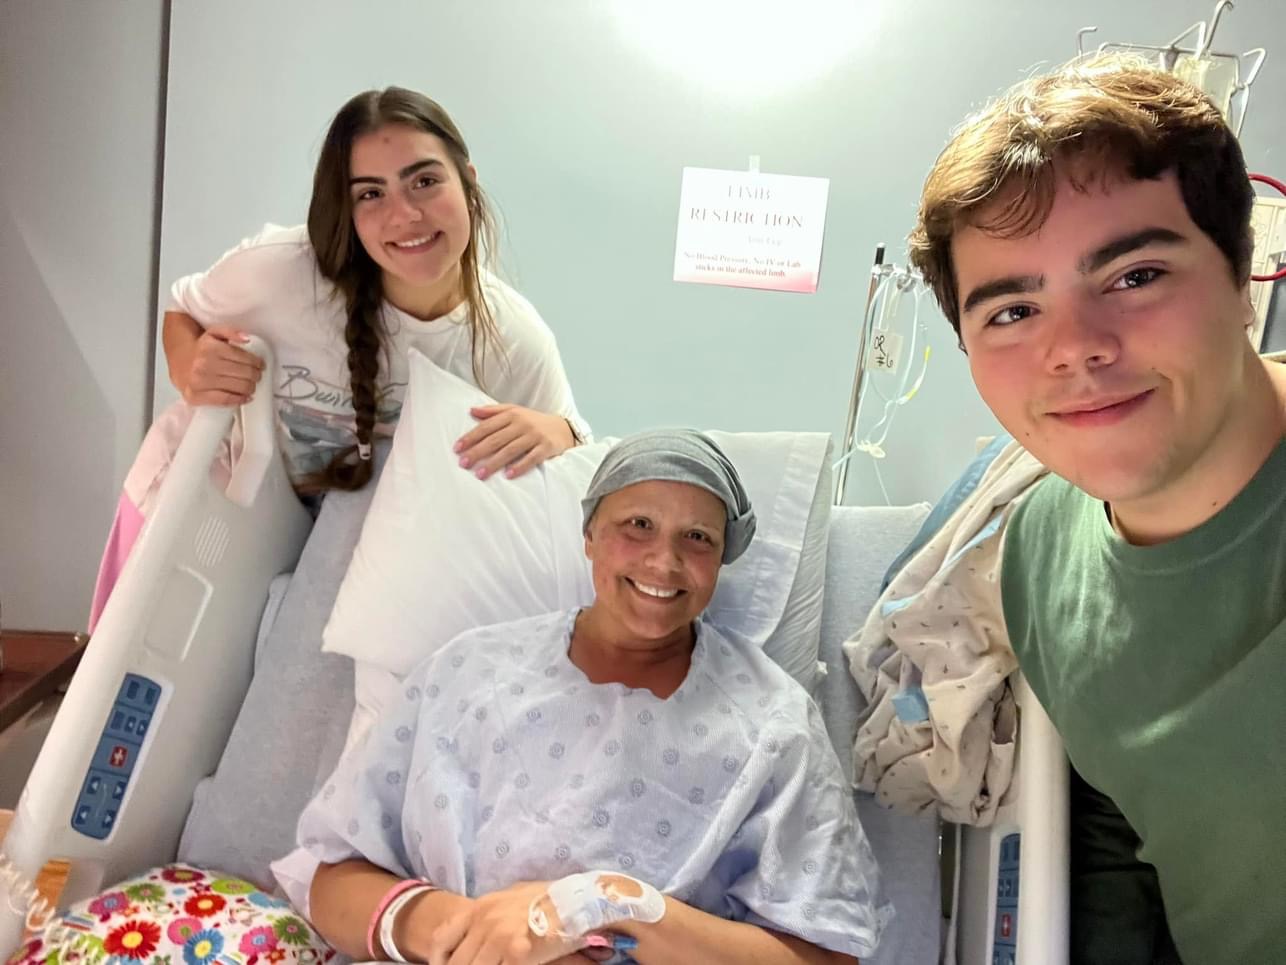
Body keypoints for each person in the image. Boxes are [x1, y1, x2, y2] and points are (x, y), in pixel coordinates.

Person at [908, 54, 1285, 964]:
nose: (1075, 350)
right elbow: (1126, 816)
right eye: (1010, 312)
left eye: (1134, 276)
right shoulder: (1037, 554)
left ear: (1245, 277)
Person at [275, 430, 887, 965]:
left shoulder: (771, 722)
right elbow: (334, 877)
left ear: (721, 560)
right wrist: (461, 932)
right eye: (638, 525)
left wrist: (611, 906)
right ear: (590, 534)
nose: (664, 560)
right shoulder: (470, 670)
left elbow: (825, 953)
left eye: (697, 537)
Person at [89, 87, 588, 629]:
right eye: (371, 194)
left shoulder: (509, 339)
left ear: (468, 179)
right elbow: (181, 312)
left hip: (333, 545)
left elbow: (574, 448)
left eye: (424, 181)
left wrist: (559, 432)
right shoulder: (279, 272)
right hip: (202, 497)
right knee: (124, 689)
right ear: (346, 209)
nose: (406, 215)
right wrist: (188, 367)